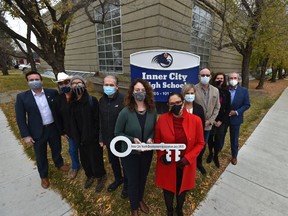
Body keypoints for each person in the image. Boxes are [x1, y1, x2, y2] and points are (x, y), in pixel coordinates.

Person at [15, 71, 69, 189]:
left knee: (56, 148)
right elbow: (20, 118)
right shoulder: (22, 97)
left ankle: (59, 164)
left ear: (41, 80)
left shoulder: (52, 93)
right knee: (40, 155)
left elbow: (59, 111)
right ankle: (44, 176)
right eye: (31, 80)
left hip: (53, 128)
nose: (34, 81)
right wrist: (26, 135)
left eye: (36, 79)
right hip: (37, 131)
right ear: (28, 82)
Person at [154, 93, 205, 216]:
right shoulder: (162, 119)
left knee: (182, 188)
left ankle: (179, 209)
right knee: (168, 188)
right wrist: (161, 155)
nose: (175, 105)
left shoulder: (195, 120)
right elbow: (157, 140)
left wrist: (188, 158)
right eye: (172, 104)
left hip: (186, 163)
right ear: (168, 105)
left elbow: (200, 143)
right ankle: (170, 211)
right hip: (168, 162)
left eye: (178, 102)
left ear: (183, 102)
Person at [114, 78, 157, 216]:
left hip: (146, 151)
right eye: (137, 90)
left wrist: (151, 138)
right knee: (133, 179)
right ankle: (134, 207)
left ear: (147, 92)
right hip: (129, 152)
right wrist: (132, 140)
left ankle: (139, 199)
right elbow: (117, 133)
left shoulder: (152, 110)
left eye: (143, 90)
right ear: (132, 92)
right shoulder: (125, 112)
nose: (140, 92)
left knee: (142, 176)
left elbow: (153, 129)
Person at [69, 75, 107, 191]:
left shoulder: (92, 101)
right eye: (74, 83)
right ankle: (90, 175)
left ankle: (100, 176)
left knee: (96, 158)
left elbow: (98, 119)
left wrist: (97, 135)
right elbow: (71, 121)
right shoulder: (72, 102)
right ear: (71, 86)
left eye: (79, 83)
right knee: (85, 159)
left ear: (84, 85)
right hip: (79, 138)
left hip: (92, 137)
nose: (77, 85)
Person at [99, 75, 128, 198]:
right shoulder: (101, 100)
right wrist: (101, 137)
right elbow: (100, 120)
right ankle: (118, 179)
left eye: (111, 85)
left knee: (125, 163)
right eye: (106, 84)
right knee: (113, 161)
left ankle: (127, 184)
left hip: (122, 139)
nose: (108, 87)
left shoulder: (124, 100)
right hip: (108, 139)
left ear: (116, 87)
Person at [53, 72, 81, 179]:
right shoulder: (58, 100)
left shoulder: (78, 95)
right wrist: (62, 132)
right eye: (61, 83)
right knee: (72, 150)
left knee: (85, 150)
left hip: (82, 128)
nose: (64, 85)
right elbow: (57, 117)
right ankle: (75, 166)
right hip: (70, 130)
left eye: (66, 82)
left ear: (70, 82)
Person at [194, 68, 220, 174]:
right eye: (202, 75)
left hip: (207, 125)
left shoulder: (215, 90)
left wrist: (210, 120)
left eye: (207, 75)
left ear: (210, 76)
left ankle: (199, 162)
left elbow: (217, 107)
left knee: (203, 145)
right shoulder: (193, 89)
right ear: (199, 76)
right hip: (195, 125)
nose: (205, 77)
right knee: (193, 144)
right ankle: (192, 161)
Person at [207, 72, 231, 168]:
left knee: (218, 139)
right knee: (210, 138)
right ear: (214, 79)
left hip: (221, 120)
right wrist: (213, 120)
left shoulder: (227, 93)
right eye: (218, 78)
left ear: (224, 80)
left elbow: (228, 108)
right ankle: (210, 153)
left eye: (221, 78)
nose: (220, 80)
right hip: (211, 119)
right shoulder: (211, 91)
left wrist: (221, 120)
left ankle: (216, 155)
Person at [227, 72, 250, 165]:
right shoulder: (224, 90)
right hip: (224, 119)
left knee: (234, 139)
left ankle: (234, 156)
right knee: (219, 138)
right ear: (228, 80)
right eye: (231, 78)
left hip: (236, 119)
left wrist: (236, 112)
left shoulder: (243, 91)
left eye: (235, 78)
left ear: (238, 79)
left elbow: (247, 104)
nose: (233, 80)